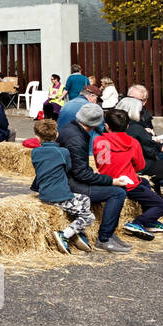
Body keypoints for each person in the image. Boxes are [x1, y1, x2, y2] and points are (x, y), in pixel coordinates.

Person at [57, 103, 132, 252]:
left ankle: (110, 233)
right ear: (95, 123)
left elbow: (80, 167)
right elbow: (81, 174)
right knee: (118, 192)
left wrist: (100, 177)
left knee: (116, 188)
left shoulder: (69, 128)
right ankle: (104, 238)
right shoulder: (77, 139)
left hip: (67, 178)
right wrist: (112, 181)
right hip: (69, 184)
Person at [93, 108, 163, 239]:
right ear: (128, 126)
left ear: (106, 126)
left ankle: (149, 221)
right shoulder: (133, 143)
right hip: (129, 184)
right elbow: (140, 166)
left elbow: (102, 164)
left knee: (145, 183)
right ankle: (139, 222)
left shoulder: (100, 142)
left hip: (108, 180)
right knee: (162, 206)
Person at [29, 117, 95, 254]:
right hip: (59, 196)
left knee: (85, 199)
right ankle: (65, 234)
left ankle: (76, 231)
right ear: (57, 134)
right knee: (89, 217)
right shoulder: (63, 152)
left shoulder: (34, 153)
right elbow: (68, 168)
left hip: (44, 193)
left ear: (37, 137)